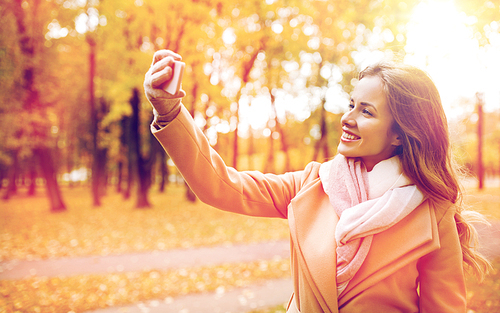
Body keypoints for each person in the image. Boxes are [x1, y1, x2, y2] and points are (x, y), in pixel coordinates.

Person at [143, 50, 491, 312]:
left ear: (400, 134)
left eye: (365, 111)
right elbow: (219, 184)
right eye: (351, 104)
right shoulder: (313, 183)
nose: (347, 118)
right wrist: (170, 112)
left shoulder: (434, 213)